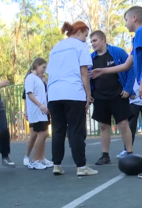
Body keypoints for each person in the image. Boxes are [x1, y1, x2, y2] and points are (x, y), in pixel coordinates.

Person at [91, 6, 142, 178]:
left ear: (134, 18)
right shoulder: (140, 37)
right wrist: (102, 71)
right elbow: (127, 65)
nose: (126, 23)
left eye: (126, 19)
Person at [46, 21, 98, 176]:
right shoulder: (80, 46)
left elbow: (50, 73)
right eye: (86, 35)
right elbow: (84, 73)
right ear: (80, 31)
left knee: (58, 130)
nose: (86, 39)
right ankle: (81, 167)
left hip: (54, 93)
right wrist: (88, 94)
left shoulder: (56, 47)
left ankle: (57, 165)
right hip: (73, 92)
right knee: (76, 130)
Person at [89, 30, 135, 165]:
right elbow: (86, 76)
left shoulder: (117, 52)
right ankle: (105, 155)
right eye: (91, 42)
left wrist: (127, 88)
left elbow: (131, 69)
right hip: (100, 97)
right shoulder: (91, 58)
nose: (92, 44)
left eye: (95, 40)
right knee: (103, 126)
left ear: (103, 40)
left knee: (123, 124)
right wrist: (89, 94)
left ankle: (129, 152)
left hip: (118, 95)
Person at [24, 58, 53, 170]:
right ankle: (35, 160)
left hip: (42, 111)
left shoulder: (38, 79)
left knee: (44, 134)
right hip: (36, 112)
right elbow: (30, 94)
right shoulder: (30, 78)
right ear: (36, 65)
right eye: (43, 67)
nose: (44, 70)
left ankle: (41, 158)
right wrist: (40, 105)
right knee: (42, 134)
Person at [116, 79, 142, 158]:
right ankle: (127, 150)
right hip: (133, 101)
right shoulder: (130, 69)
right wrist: (130, 92)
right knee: (130, 126)